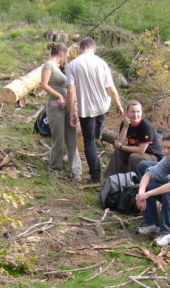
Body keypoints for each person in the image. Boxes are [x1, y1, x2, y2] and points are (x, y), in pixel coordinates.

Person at [67, 37, 124, 182]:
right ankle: (98, 133)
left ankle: (95, 175)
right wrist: (118, 104)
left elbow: (70, 90)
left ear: (80, 49)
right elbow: (110, 87)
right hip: (102, 105)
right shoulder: (102, 63)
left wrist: (72, 112)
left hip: (86, 109)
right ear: (94, 48)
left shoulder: (73, 64)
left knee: (88, 142)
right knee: (96, 131)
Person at [40, 43, 82, 182]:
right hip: (55, 108)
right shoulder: (48, 65)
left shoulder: (60, 68)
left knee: (72, 140)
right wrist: (59, 96)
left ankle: (76, 172)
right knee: (58, 139)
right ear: (62, 54)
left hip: (67, 109)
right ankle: (55, 169)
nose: (66, 59)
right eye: (67, 56)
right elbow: (44, 84)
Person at [104, 100, 161, 178]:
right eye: (132, 112)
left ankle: (130, 182)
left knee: (134, 157)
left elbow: (141, 150)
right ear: (127, 113)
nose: (135, 115)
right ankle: (109, 179)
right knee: (118, 152)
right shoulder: (125, 123)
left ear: (141, 113)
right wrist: (125, 127)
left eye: (138, 112)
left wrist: (122, 147)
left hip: (152, 156)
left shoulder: (146, 126)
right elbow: (119, 143)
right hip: (136, 152)